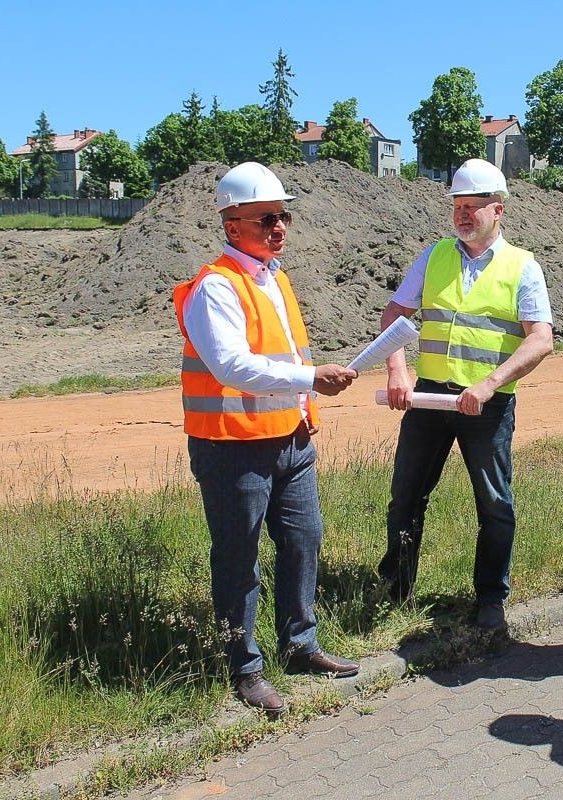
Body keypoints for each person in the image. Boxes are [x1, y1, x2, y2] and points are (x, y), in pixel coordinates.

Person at [174, 162, 361, 716]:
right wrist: (311, 379)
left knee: (305, 540)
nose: (279, 227)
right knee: (239, 558)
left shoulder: (273, 277)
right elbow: (231, 366)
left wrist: (305, 396)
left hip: (291, 440)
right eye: (265, 219)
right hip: (234, 446)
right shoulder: (216, 287)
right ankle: (245, 667)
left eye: (283, 216)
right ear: (232, 225)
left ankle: (300, 645)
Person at [377, 158, 554, 629]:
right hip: (430, 398)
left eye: (473, 206)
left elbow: (541, 338)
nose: (462, 213)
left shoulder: (523, 267)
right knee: (405, 497)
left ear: (499, 210)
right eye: (458, 204)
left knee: (495, 504)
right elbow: (395, 314)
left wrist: (490, 383)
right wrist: (397, 369)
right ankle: (395, 588)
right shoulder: (434, 256)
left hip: (487, 404)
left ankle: (491, 598)